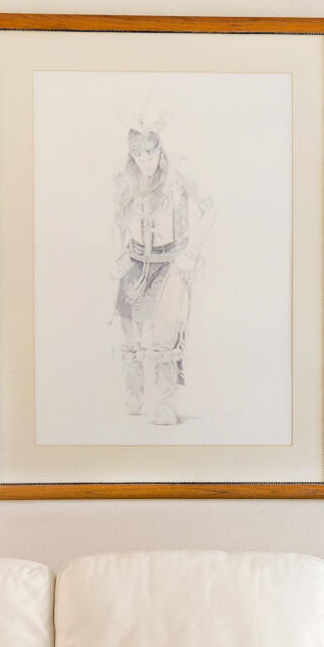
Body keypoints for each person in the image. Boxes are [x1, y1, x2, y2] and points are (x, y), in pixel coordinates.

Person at [111, 122, 211, 425]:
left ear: (159, 149)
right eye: (138, 155)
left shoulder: (177, 175)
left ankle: (165, 403)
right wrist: (116, 255)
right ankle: (134, 396)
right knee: (130, 335)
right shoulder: (124, 179)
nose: (145, 162)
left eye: (150, 154)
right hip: (135, 260)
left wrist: (191, 254)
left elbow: (210, 207)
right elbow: (116, 221)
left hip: (170, 262)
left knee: (165, 335)